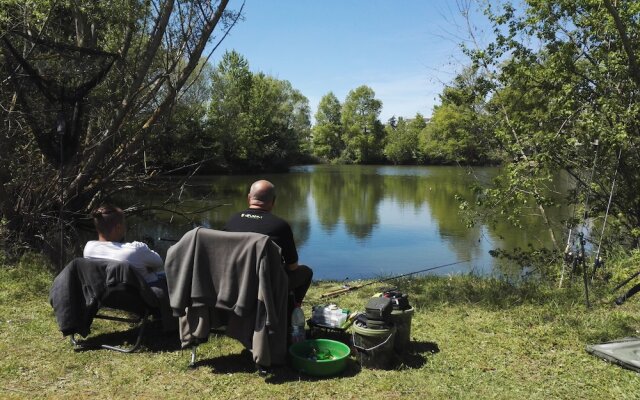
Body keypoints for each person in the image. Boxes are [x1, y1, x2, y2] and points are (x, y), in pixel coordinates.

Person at [84, 204, 175, 330]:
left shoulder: (89, 248)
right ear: (118, 227)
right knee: (171, 276)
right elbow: (159, 262)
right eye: (124, 224)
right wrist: (142, 248)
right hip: (142, 297)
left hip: (105, 295)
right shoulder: (135, 250)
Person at [224, 180, 313, 306]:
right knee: (306, 272)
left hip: (233, 281)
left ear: (249, 198)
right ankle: (292, 310)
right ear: (273, 201)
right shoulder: (280, 226)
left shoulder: (231, 221)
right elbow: (292, 266)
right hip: (266, 285)